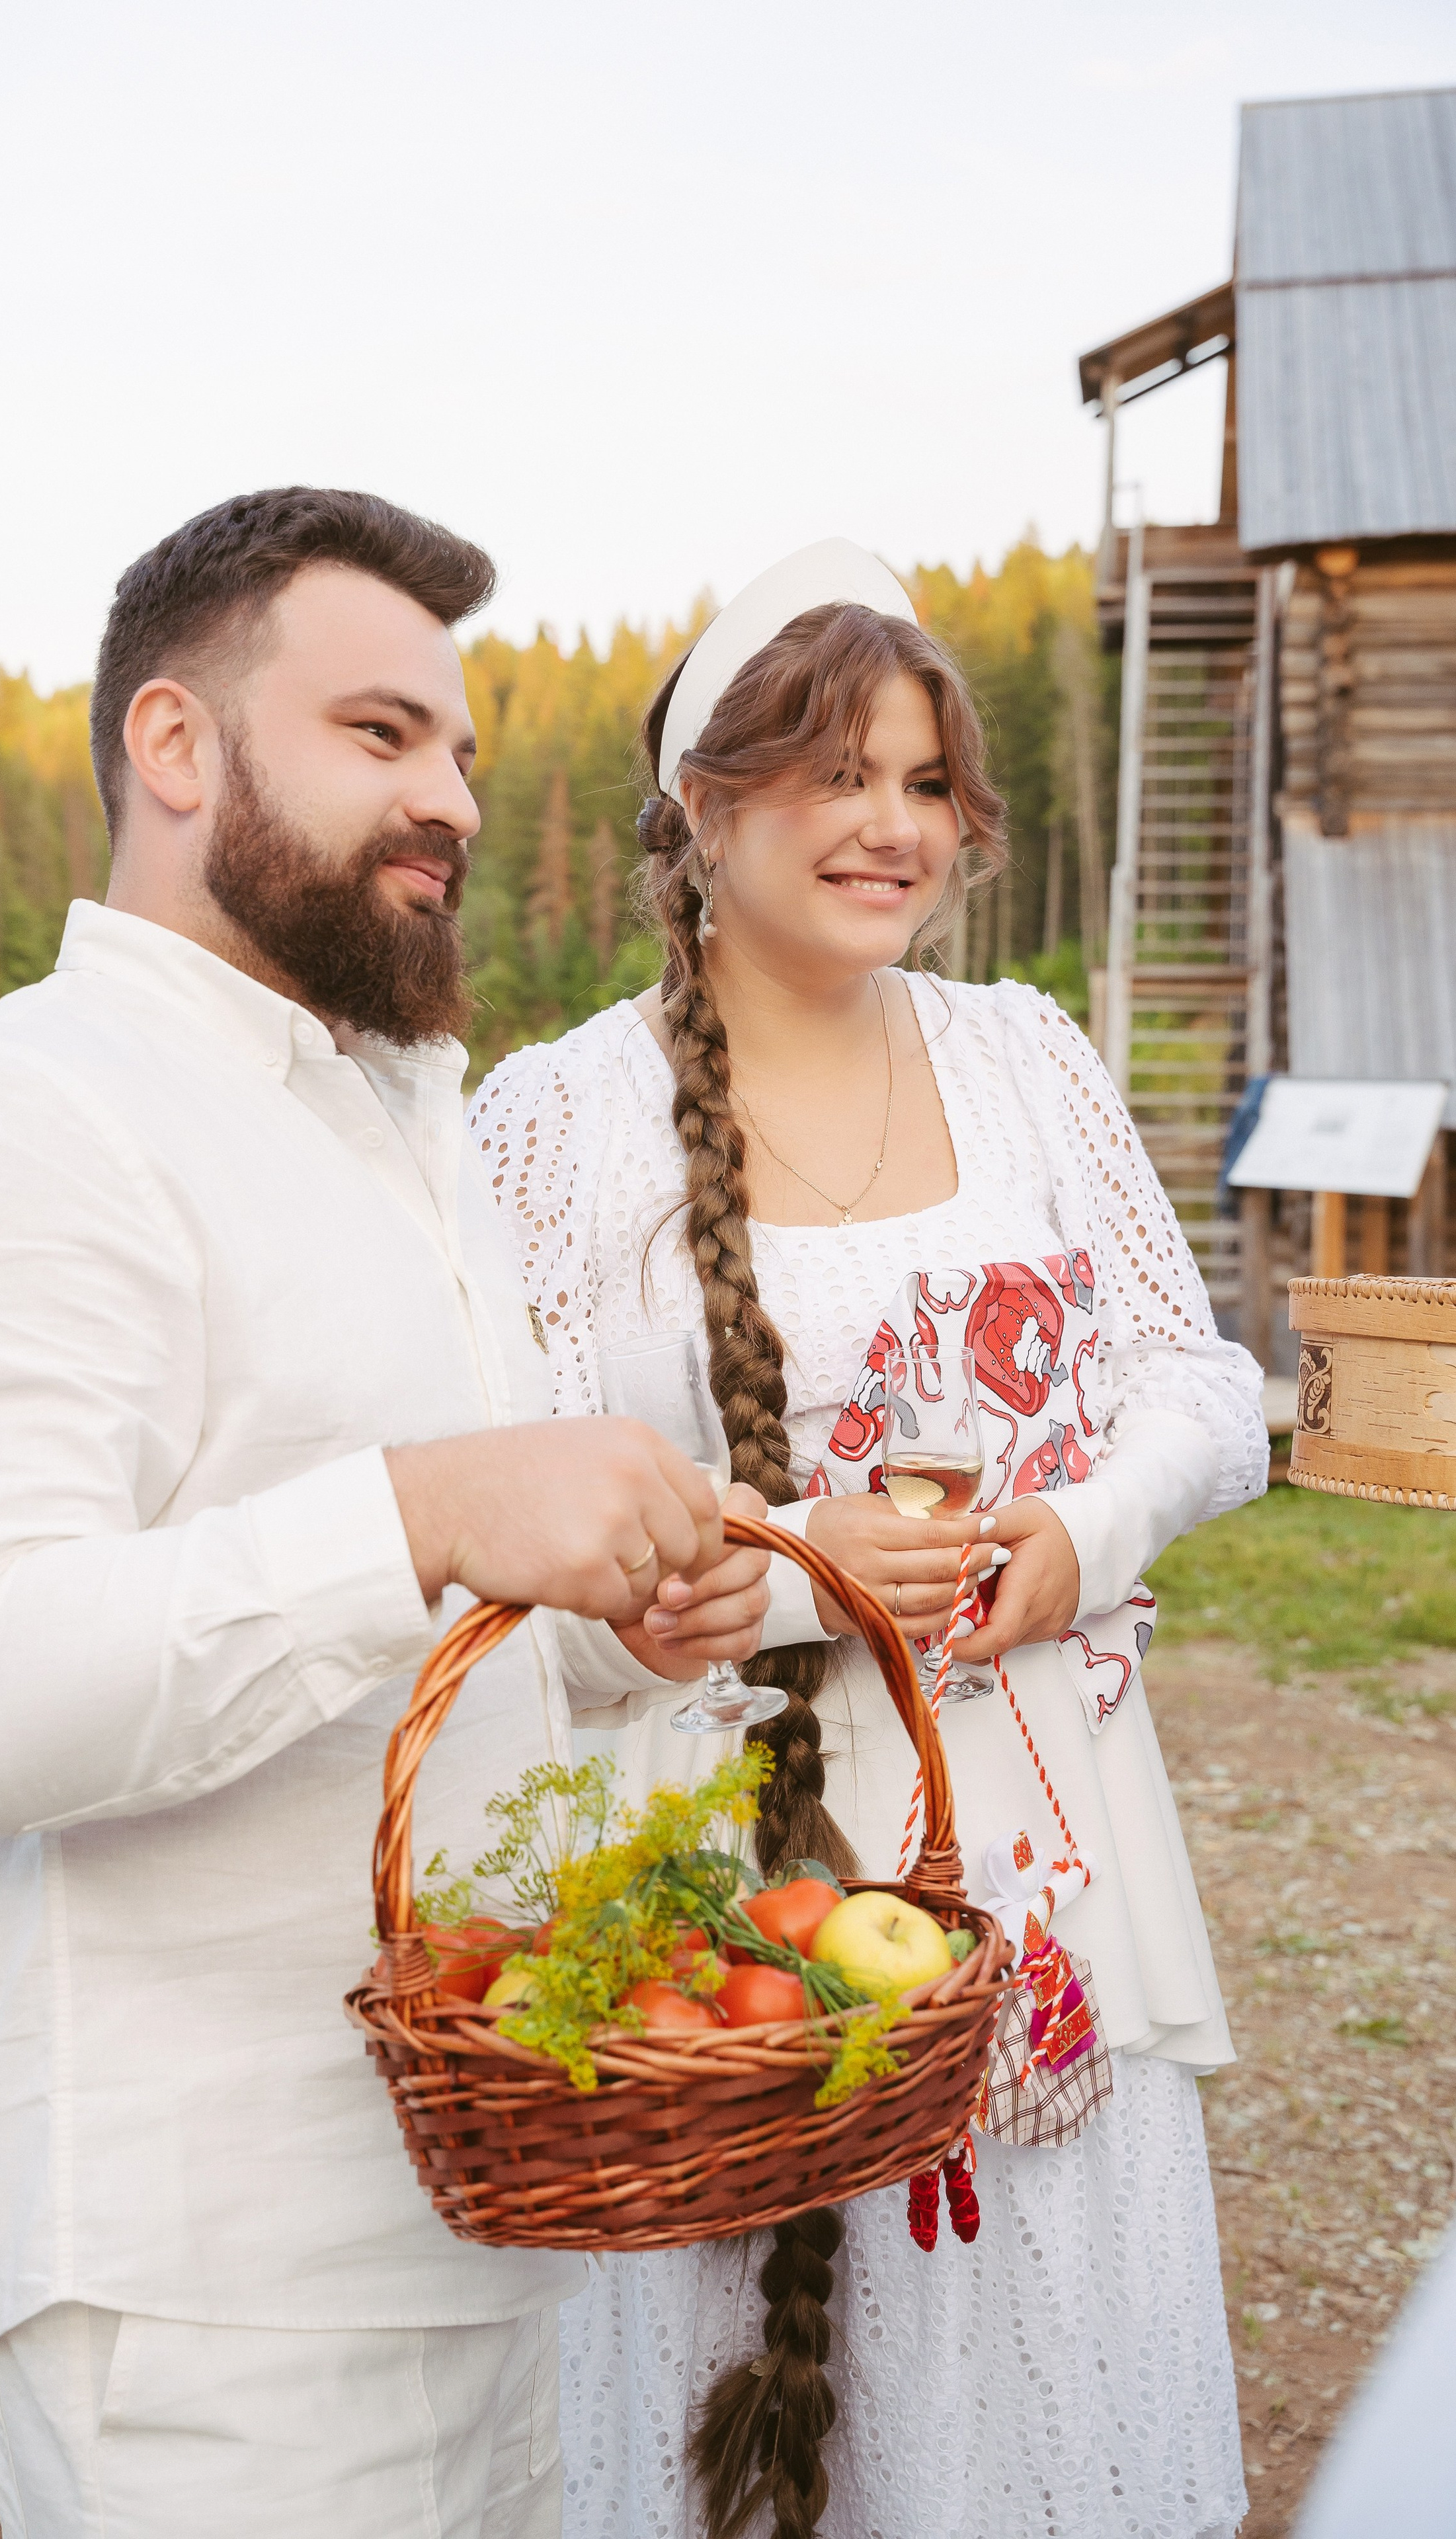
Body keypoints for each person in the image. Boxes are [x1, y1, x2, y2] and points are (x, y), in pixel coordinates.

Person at [0, 488, 772, 2539]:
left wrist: (610, 1637)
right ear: (175, 743)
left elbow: (411, 1618)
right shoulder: (3, 1118)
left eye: (463, 752)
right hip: (208, 2284)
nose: (454, 800)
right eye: (381, 733)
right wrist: (424, 1507)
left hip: (483, 2207)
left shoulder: (415, 1132)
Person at [469, 542, 1268, 2539]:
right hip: (721, 1875)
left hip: (1034, 1842)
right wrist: (790, 1561)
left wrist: (1082, 1532)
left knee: (1037, 2346)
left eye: (924, 782)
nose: (893, 826)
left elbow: (1198, 1380)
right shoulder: (561, 1124)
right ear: (702, 805)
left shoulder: (1026, 1057)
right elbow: (514, 1511)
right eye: (836, 775)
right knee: (742, 2300)